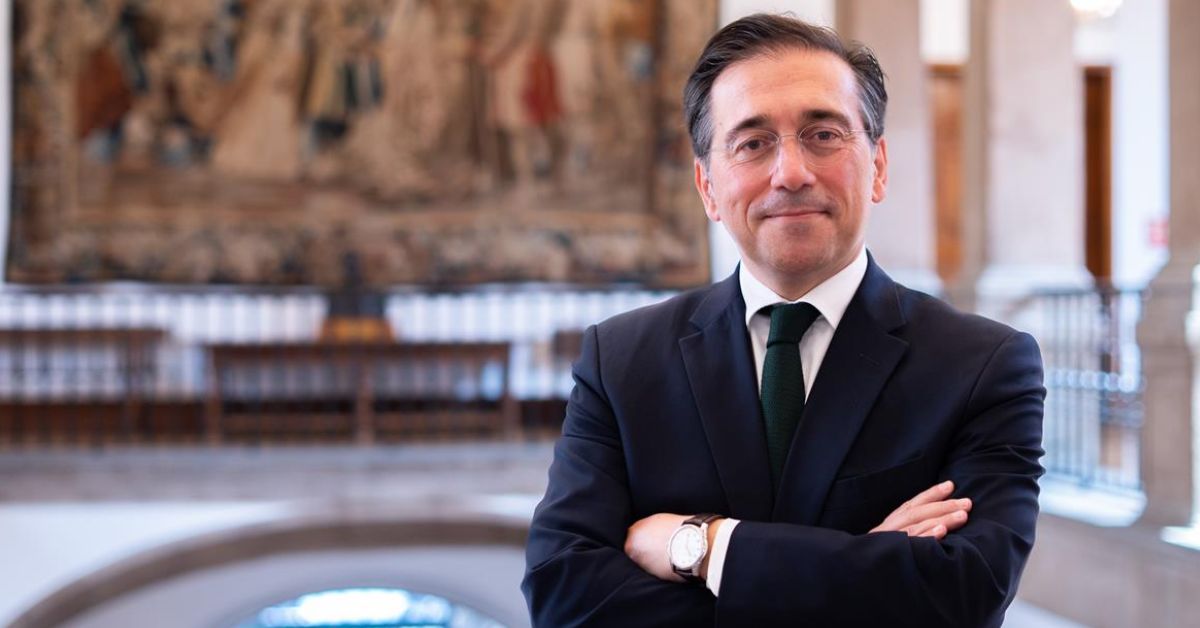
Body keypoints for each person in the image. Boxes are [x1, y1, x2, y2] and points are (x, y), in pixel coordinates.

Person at [521, 13, 1045, 627]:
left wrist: (705, 547)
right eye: (753, 143)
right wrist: (868, 566)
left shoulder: (982, 366)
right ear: (707, 186)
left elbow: (964, 595)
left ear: (877, 166)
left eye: (823, 134)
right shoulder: (621, 362)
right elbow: (564, 596)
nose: (791, 172)